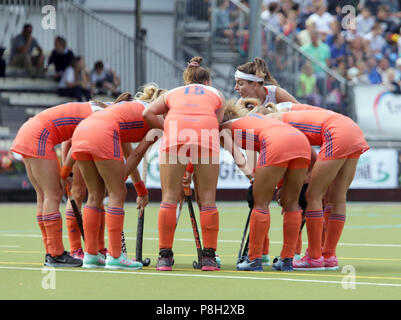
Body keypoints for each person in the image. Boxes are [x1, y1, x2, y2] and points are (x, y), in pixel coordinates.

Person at [70, 85, 166, 270]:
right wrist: (116, 185)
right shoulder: (156, 118)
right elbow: (136, 155)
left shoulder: (131, 108)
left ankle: (91, 255)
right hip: (102, 133)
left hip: (82, 131)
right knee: (116, 194)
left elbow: (128, 153)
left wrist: (131, 186)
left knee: (94, 195)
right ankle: (115, 256)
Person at [143, 56, 225, 272]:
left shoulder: (173, 92)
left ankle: (164, 257)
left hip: (175, 132)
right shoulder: (216, 94)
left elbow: (147, 112)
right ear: (207, 82)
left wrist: (166, 127)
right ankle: (208, 258)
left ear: (187, 80)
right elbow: (215, 124)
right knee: (207, 199)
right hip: (206, 133)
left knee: (169, 197)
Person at [262, 106, 370, 270]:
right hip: (353, 130)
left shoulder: (272, 122)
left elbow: (292, 155)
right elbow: (308, 153)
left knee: (313, 196)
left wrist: (285, 187)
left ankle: (314, 257)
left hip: (337, 133)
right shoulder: (289, 114)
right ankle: (329, 255)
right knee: (337, 197)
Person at [9, 100, 110, 267]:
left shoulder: (96, 109)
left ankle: (51, 252)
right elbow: (74, 144)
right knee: (52, 194)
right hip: (39, 135)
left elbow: (69, 139)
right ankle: (55, 254)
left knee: (43, 196)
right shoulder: (101, 116)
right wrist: (66, 171)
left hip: (29, 131)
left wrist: (66, 170)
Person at [221, 103, 311, 271]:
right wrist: (282, 185)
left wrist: (252, 178)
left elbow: (238, 156)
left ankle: (254, 259)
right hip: (300, 141)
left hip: (277, 142)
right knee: (291, 205)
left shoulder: (223, 128)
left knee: (260, 203)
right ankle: (287, 259)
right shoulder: (255, 120)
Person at [233, 57, 300, 266]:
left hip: (286, 149)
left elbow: (300, 114)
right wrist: (251, 175)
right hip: (260, 152)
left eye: (240, 84)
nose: (236, 88)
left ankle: (294, 254)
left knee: (291, 201)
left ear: (255, 84)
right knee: (257, 199)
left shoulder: (276, 93)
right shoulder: (240, 104)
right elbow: (237, 144)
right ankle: (261, 251)